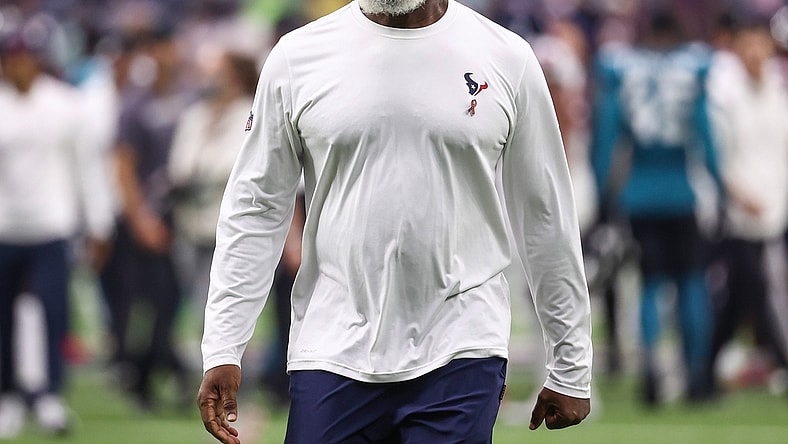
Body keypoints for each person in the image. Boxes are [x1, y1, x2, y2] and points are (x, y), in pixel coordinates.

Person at [197, 0, 593, 443]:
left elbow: (545, 213)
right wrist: (223, 346)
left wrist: (571, 363)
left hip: (461, 346)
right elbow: (256, 207)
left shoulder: (506, 57)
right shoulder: (297, 57)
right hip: (333, 348)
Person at [591, 5, 722, 405]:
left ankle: (651, 372)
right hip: (682, 191)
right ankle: (697, 375)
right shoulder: (695, 64)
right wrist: (722, 187)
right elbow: (706, 136)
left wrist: (603, 197)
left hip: (640, 194)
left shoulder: (621, 65)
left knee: (651, 284)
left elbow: (607, 139)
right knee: (692, 282)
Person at [0, 16, 114, 437]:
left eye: (25, 58)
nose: (18, 67)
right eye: (12, 59)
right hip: (5, 228)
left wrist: (98, 222)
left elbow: (88, 169)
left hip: (51, 226)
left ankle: (49, 395)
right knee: (3, 318)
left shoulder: (65, 105)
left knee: (53, 312)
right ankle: (9, 395)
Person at [706, 19, 788, 393]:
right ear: (737, 48)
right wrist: (736, 194)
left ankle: (702, 369)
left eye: (761, 45)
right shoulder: (724, 94)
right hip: (739, 213)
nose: (755, 54)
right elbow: (717, 155)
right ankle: (782, 358)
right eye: (748, 45)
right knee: (757, 287)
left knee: (740, 297)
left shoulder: (777, 89)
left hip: (773, 208)